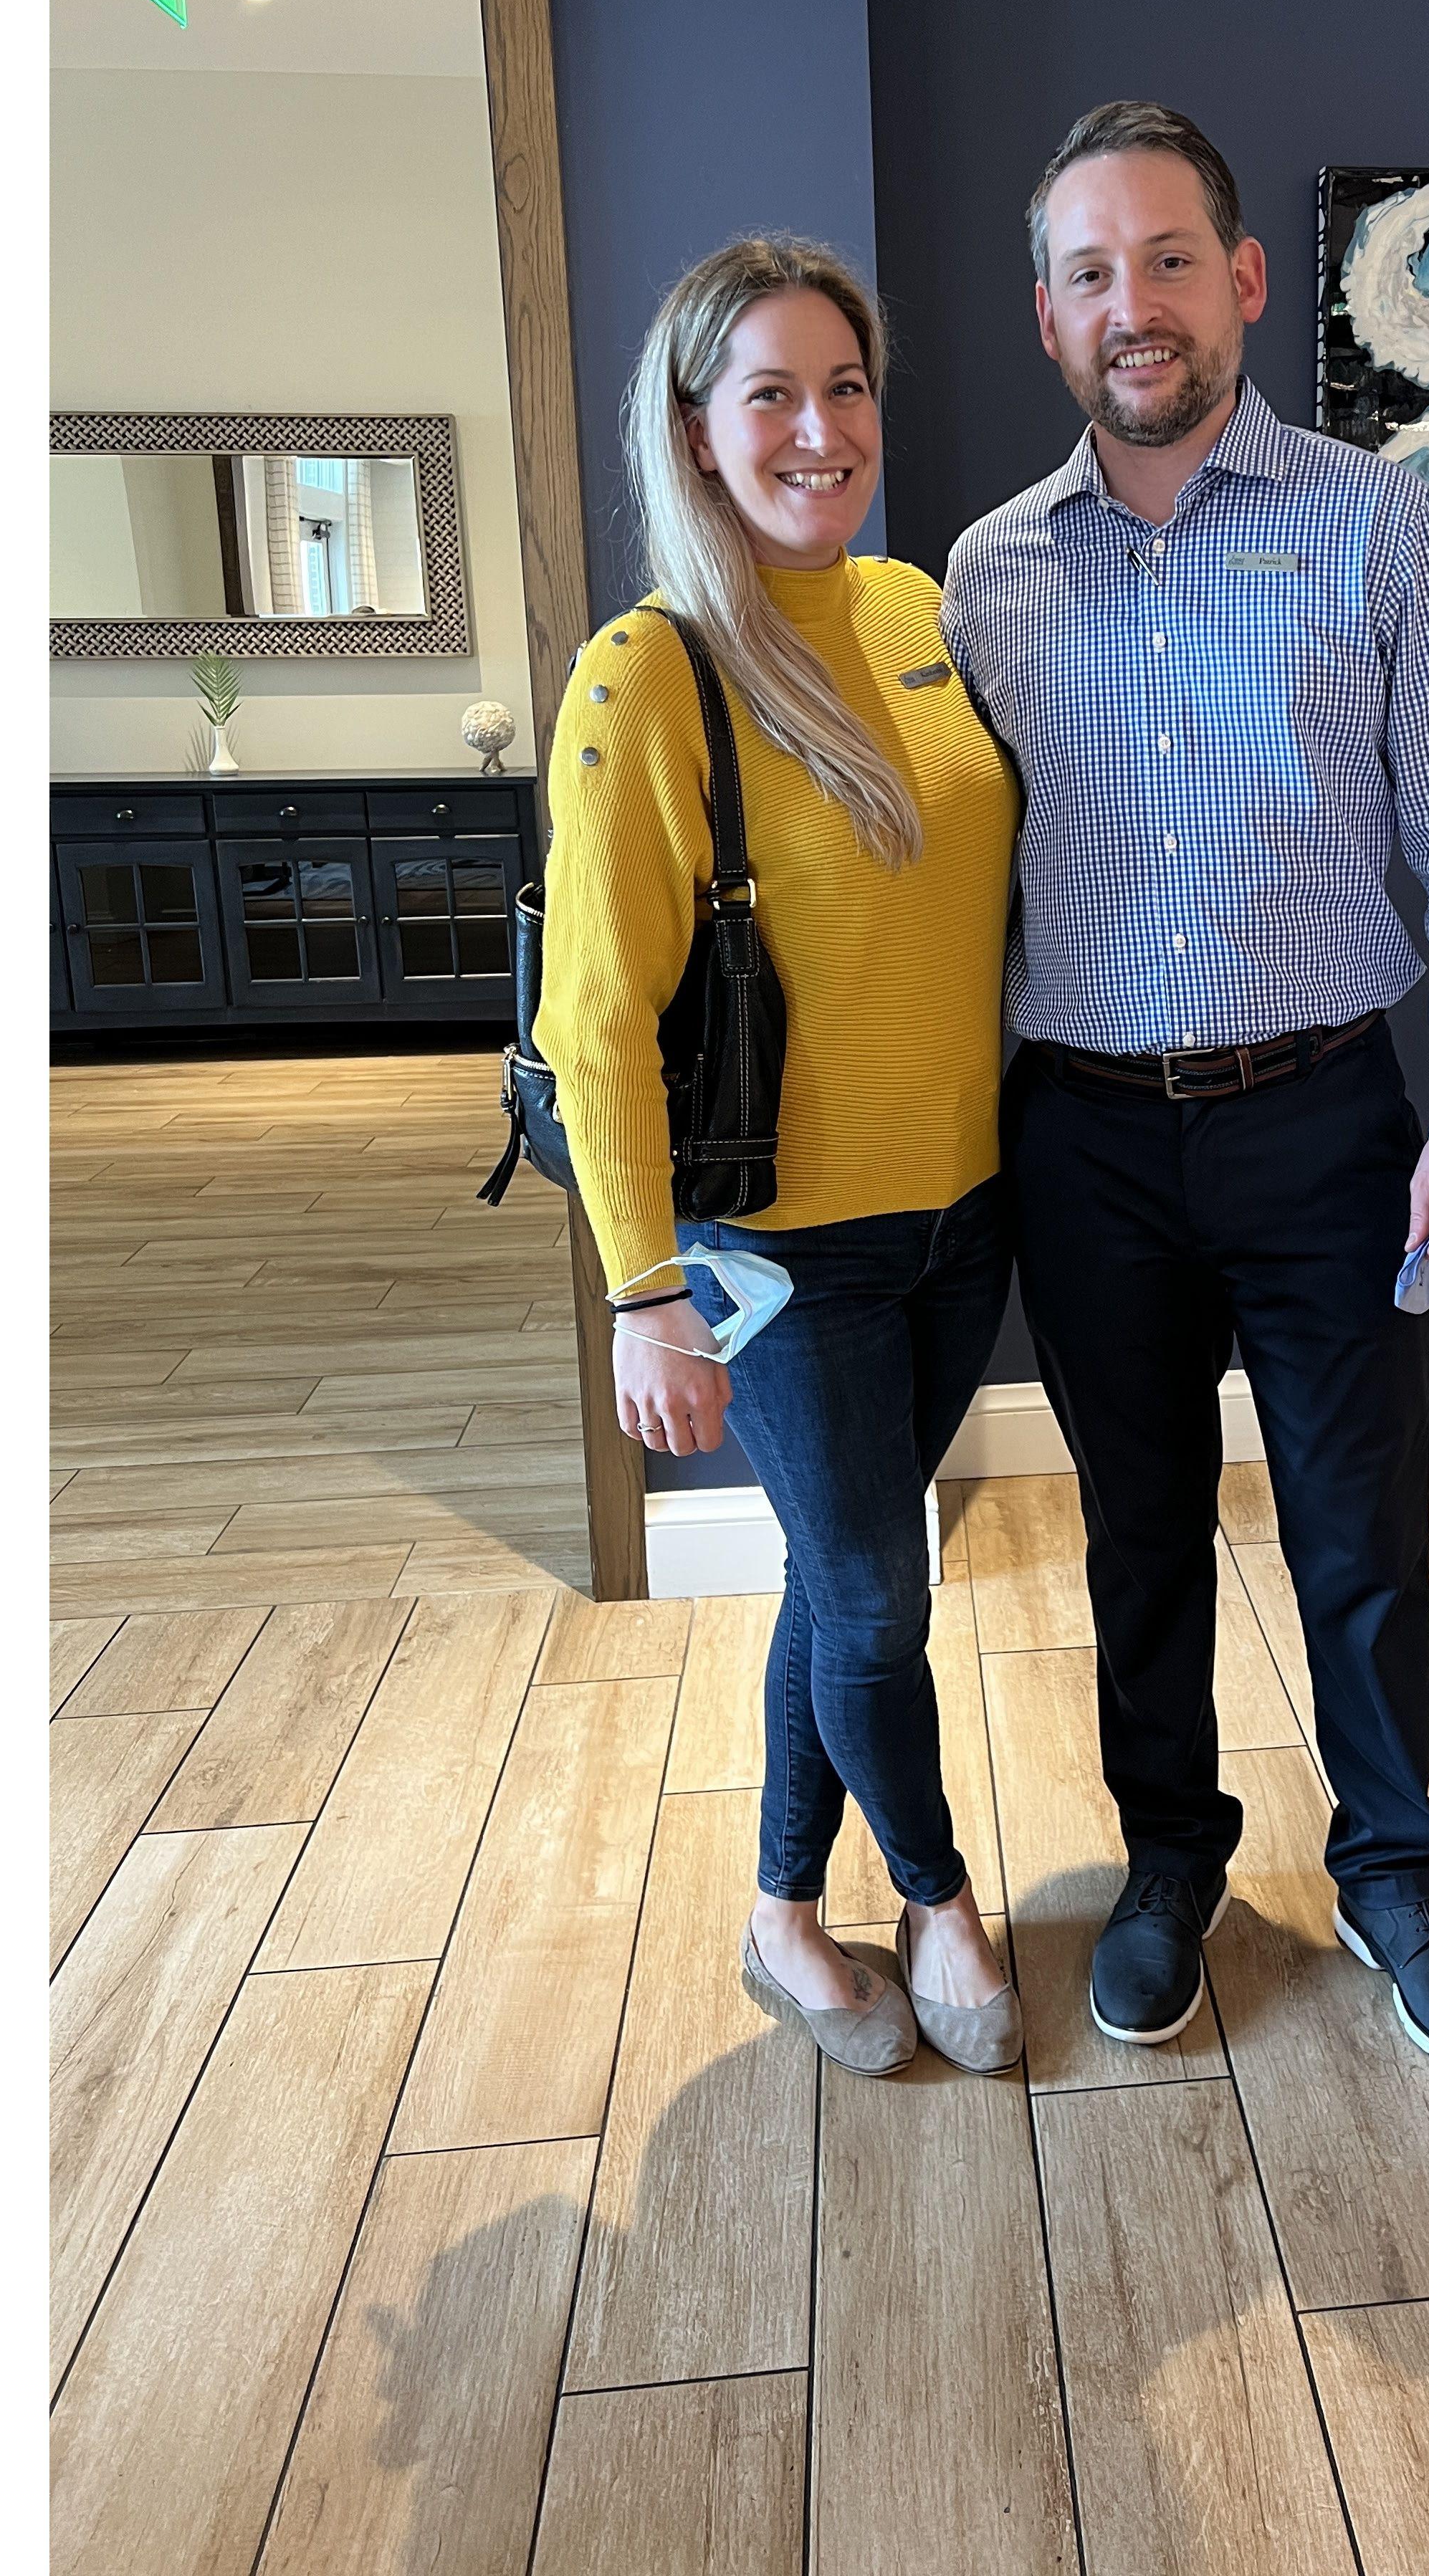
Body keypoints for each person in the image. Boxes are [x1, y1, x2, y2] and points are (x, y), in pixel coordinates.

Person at [943, 103, 1429, 2075]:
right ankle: (1168, 1864)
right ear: (1050, 316)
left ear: (1247, 282)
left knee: (1360, 1536)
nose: (1134, 303)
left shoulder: (1378, 527)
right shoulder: (984, 579)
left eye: (1168, 260)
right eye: (1091, 273)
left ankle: (1394, 1875)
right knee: (1138, 1539)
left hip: (1326, 1125)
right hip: (1086, 1141)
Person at [537, 236, 1023, 2077]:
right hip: (779, 1256)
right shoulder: (646, 672)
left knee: (838, 1582)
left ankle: (778, 1913)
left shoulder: (913, 612)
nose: (822, 429)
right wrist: (641, 1291)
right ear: (696, 428)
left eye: (847, 387)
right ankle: (941, 1900)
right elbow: (595, 1022)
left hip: (966, 1214)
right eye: (771, 394)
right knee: (883, 1598)